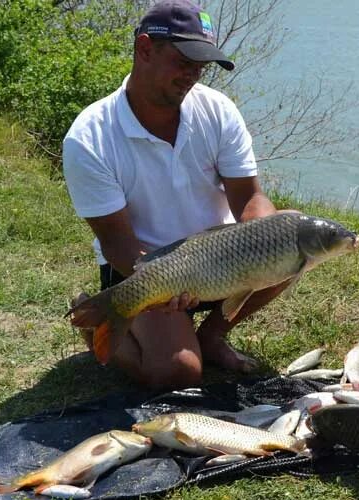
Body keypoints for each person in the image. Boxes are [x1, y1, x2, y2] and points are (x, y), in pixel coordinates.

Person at [62, 0, 290, 389]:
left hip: (222, 258)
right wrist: (163, 279)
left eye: (201, 66)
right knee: (178, 373)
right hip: (144, 267)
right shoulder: (89, 138)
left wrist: (262, 234)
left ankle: (212, 335)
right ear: (145, 49)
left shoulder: (218, 111)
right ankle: (99, 321)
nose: (193, 75)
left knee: (290, 236)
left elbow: (250, 198)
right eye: (185, 61)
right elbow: (116, 242)